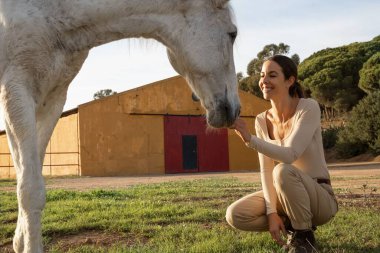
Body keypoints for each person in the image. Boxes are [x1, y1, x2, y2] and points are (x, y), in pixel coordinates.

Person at [226, 55, 338, 253]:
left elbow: (290, 154)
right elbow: (266, 170)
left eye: (272, 75)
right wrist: (271, 212)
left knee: (283, 171)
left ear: (290, 80)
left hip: (320, 199)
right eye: (262, 75)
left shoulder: (308, 107)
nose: (264, 81)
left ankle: (304, 237)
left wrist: (250, 140)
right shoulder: (261, 120)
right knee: (235, 214)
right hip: (284, 192)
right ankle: (293, 224)